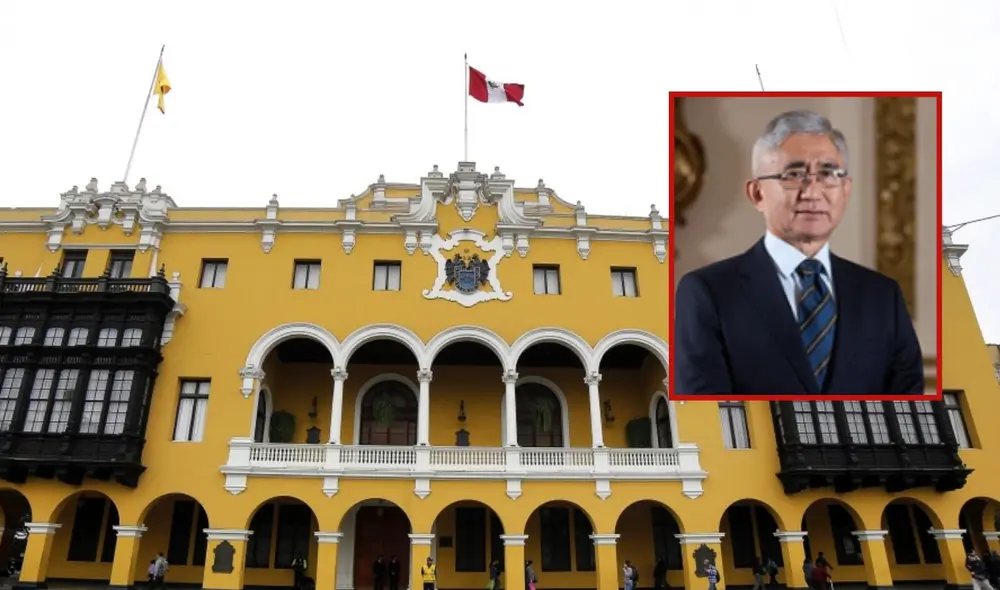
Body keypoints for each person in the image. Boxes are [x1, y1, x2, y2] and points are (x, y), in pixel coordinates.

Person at [673, 109, 924, 395]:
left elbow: (908, 419)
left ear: (845, 189)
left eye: (828, 174)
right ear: (757, 193)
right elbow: (706, 420)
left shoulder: (883, 297)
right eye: (794, 175)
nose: (812, 192)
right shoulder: (707, 294)